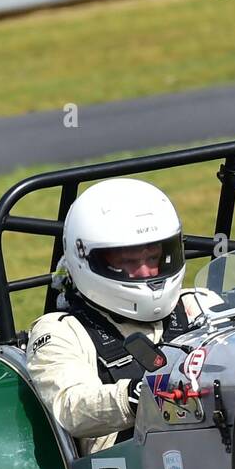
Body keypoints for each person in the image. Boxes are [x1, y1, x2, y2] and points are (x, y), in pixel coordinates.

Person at [27, 178, 185, 454]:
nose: (147, 272)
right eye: (129, 262)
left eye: (153, 257)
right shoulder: (61, 331)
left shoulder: (198, 303)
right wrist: (136, 395)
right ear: (88, 259)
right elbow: (69, 407)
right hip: (131, 466)